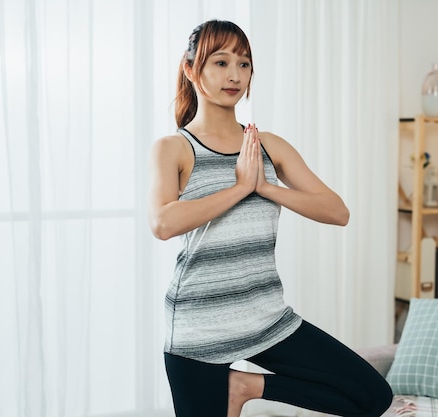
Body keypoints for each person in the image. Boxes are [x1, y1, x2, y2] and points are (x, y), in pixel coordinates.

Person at [148, 19, 392, 417]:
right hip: (198, 328)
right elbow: (162, 223)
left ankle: (246, 385)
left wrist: (265, 187)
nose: (235, 75)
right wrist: (239, 188)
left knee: (371, 395)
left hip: (266, 318)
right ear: (191, 70)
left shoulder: (268, 146)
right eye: (221, 62)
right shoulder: (173, 148)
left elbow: (337, 211)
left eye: (244, 64)